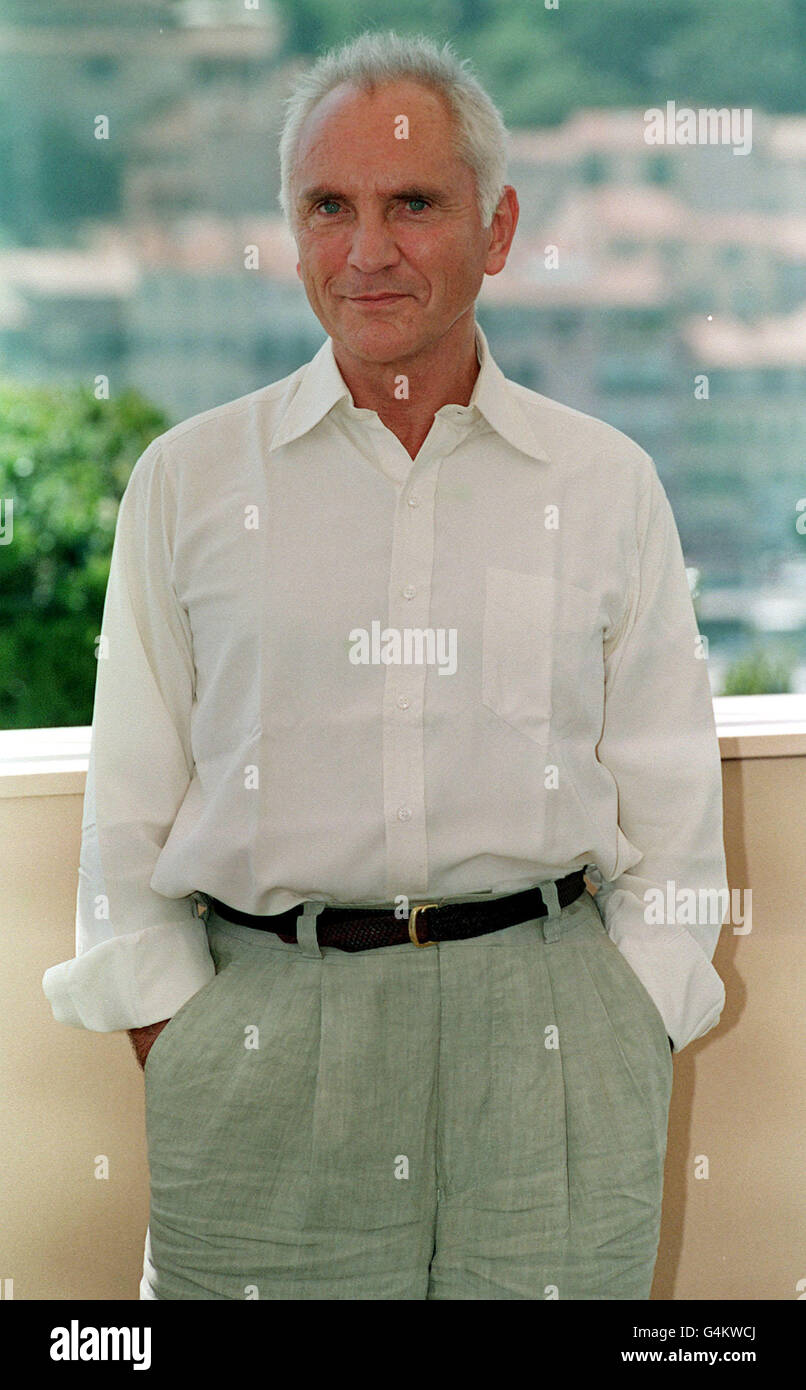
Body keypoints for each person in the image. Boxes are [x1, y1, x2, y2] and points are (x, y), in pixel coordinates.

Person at [42, 30, 728, 1300]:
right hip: (263, 1037)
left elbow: (671, 810)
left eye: (411, 203)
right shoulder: (188, 484)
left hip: (554, 1043)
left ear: (497, 228)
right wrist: (181, 1034)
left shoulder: (603, 484)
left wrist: (635, 1016)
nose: (366, 251)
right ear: (290, 229)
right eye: (329, 207)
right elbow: (127, 808)